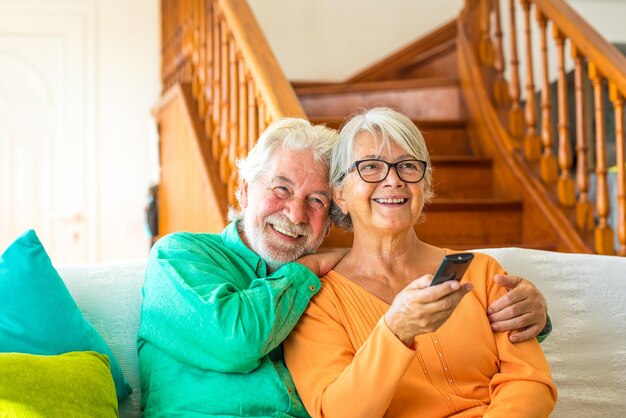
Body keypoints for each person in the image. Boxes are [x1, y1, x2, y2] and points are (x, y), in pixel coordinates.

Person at [137, 117, 551, 417]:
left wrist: (534, 316)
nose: (296, 214)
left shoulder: (327, 285)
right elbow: (236, 340)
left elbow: (523, 375)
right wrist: (310, 268)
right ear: (244, 190)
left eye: (315, 200)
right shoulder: (181, 255)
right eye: (281, 188)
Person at [283, 108, 557, 417]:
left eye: (408, 166)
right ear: (340, 194)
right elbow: (338, 412)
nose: (393, 180)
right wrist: (396, 331)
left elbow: (531, 381)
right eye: (371, 167)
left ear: (424, 187)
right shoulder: (317, 301)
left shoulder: (481, 272)